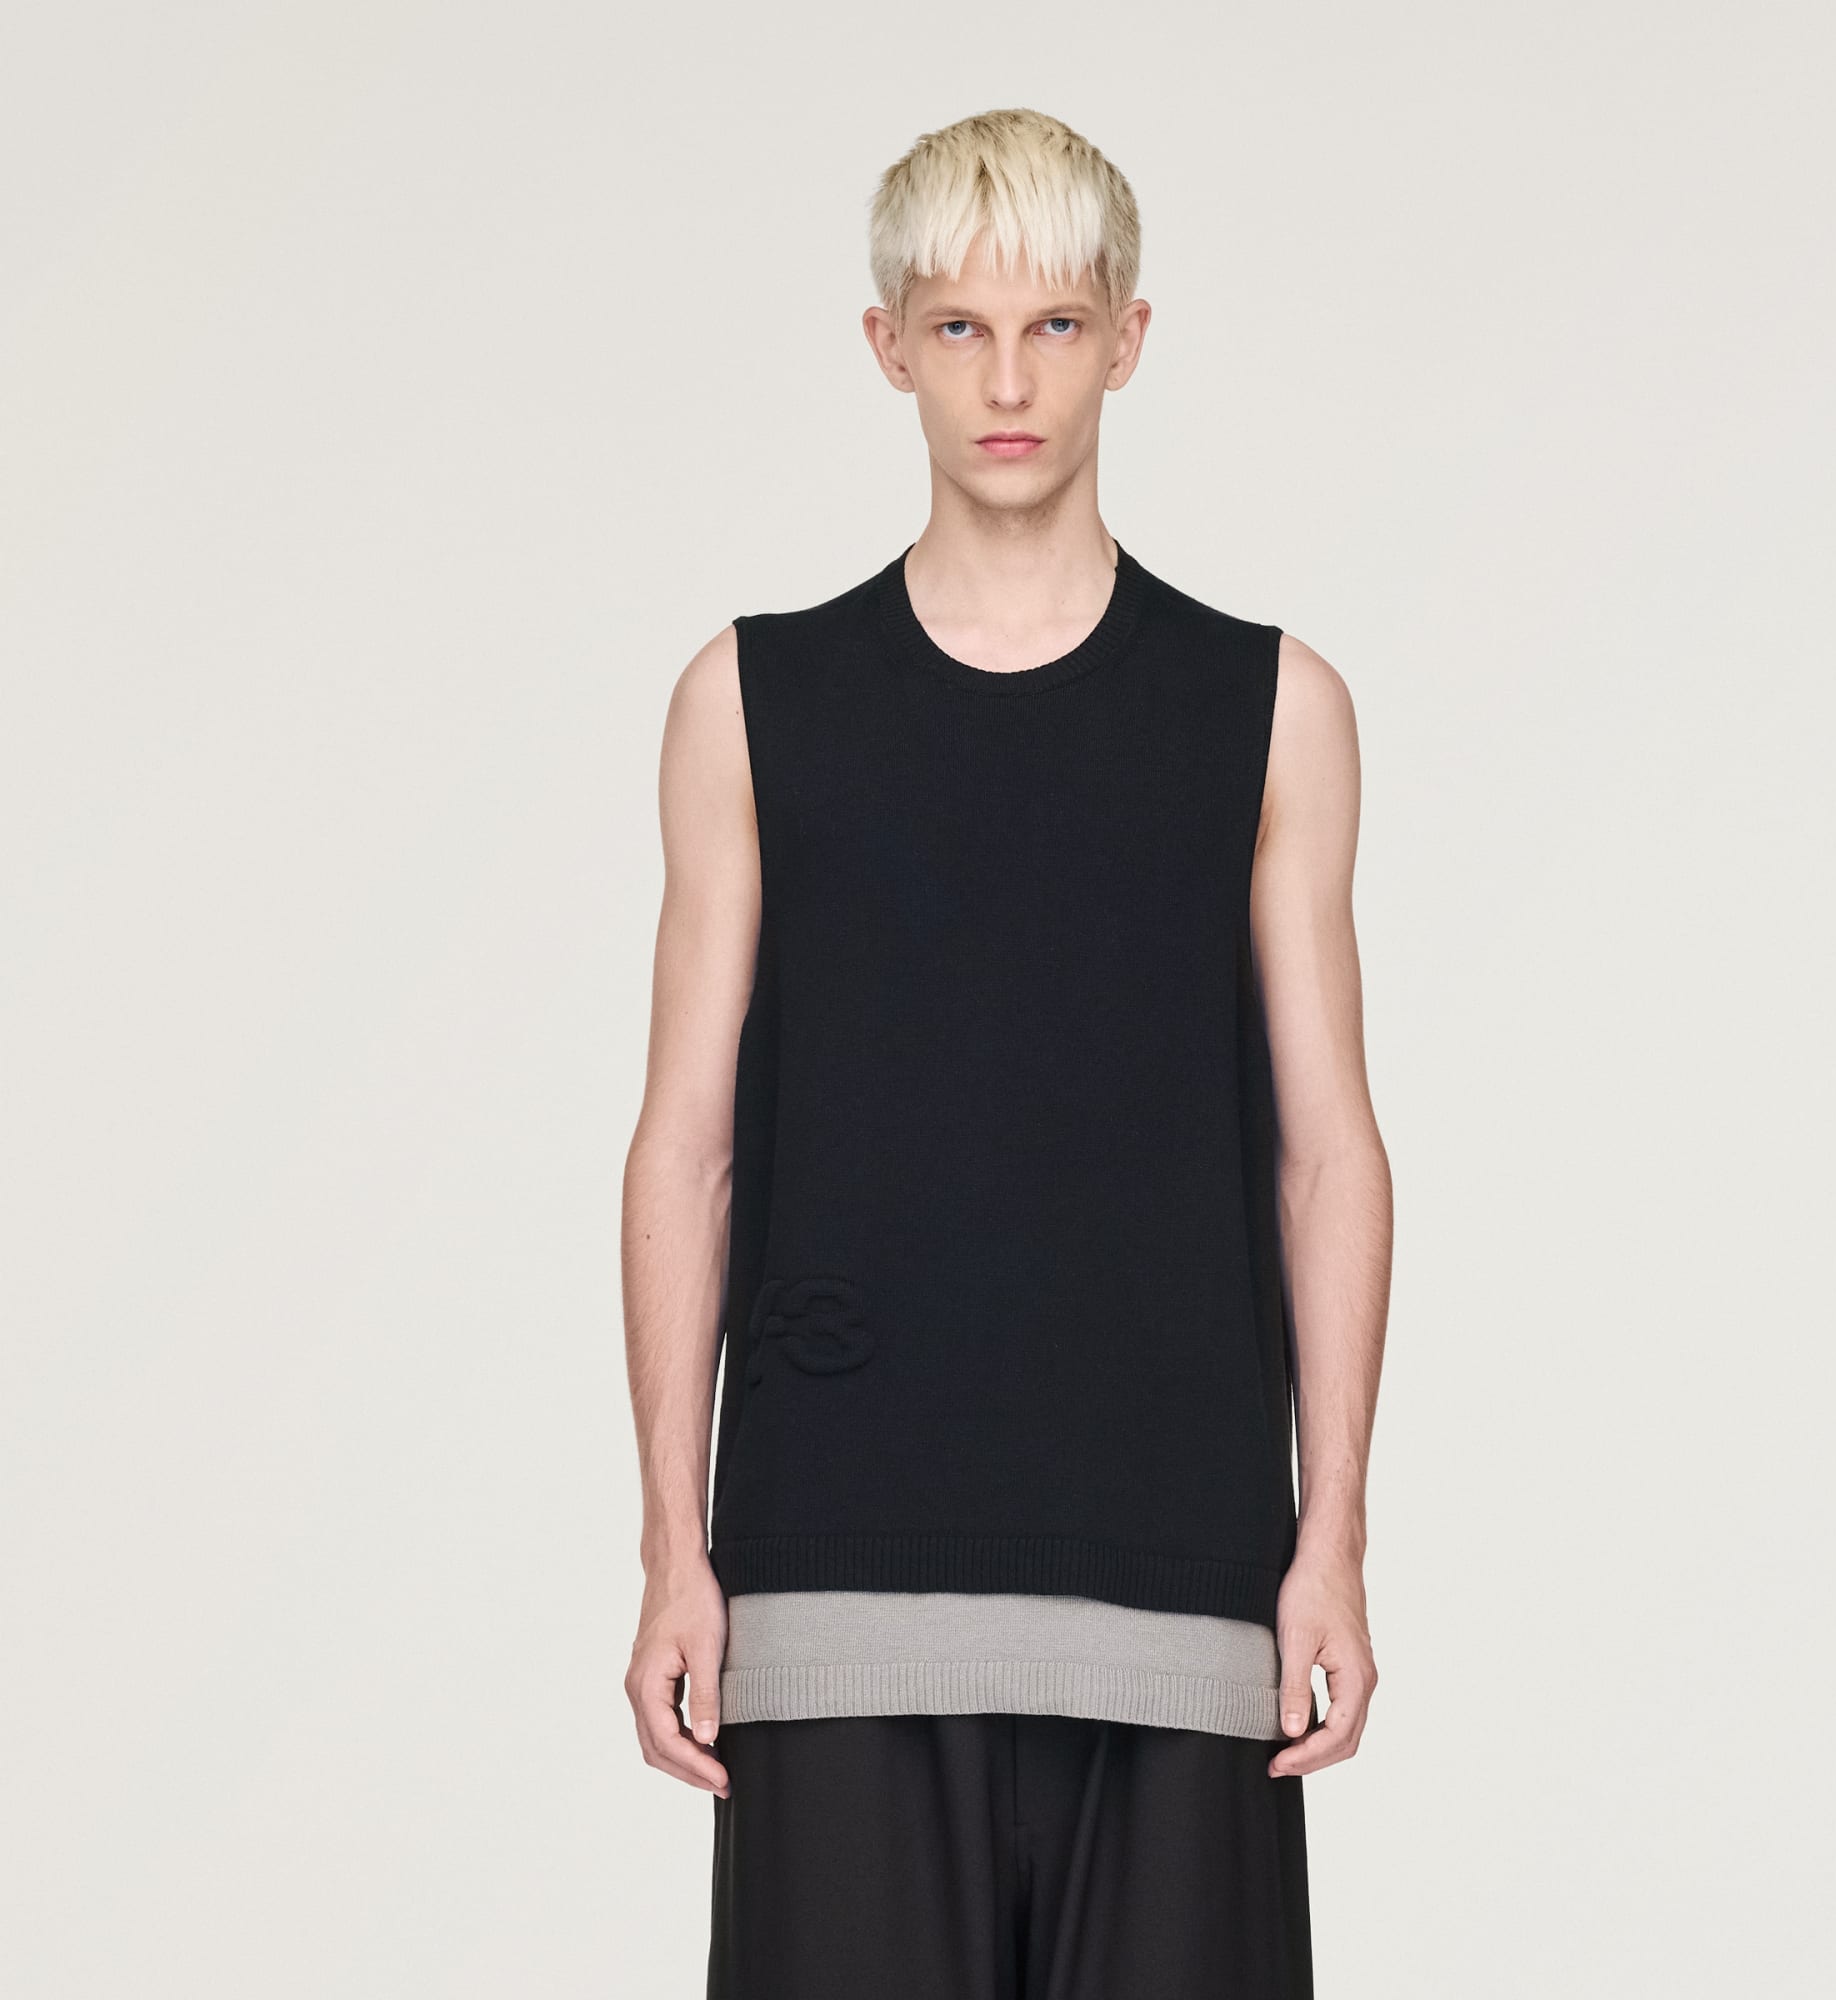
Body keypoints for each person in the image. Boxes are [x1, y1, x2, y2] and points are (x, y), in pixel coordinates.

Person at [621, 106, 1393, 2000]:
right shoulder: (753, 700)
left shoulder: (1270, 709)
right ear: (887, 347)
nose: (1010, 380)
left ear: (1129, 338)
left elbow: (1329, 1155)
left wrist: (1336, 1539)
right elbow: (685, 1149)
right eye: (960, 328)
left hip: (1184, 1578)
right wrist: (668, 1548)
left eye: (1054, 325)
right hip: (833, 1576)